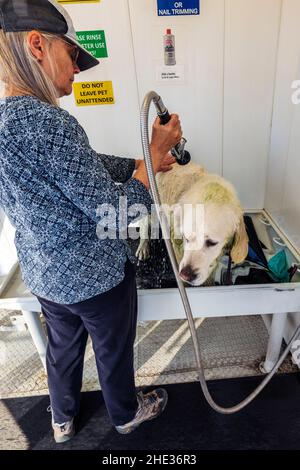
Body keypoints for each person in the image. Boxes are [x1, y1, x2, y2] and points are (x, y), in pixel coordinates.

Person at [0, 0, 182, 443]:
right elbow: (119, 217)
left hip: (45, 276)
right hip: (96, 280)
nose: (78, 71)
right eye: (72, 56)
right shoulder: (52, 123)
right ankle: (125, 414)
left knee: (62, 352)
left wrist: (139, 164)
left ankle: (61, 420)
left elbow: (83, 167)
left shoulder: (7, 122)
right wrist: (154, 161)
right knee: (112, 352)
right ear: (38, 45)